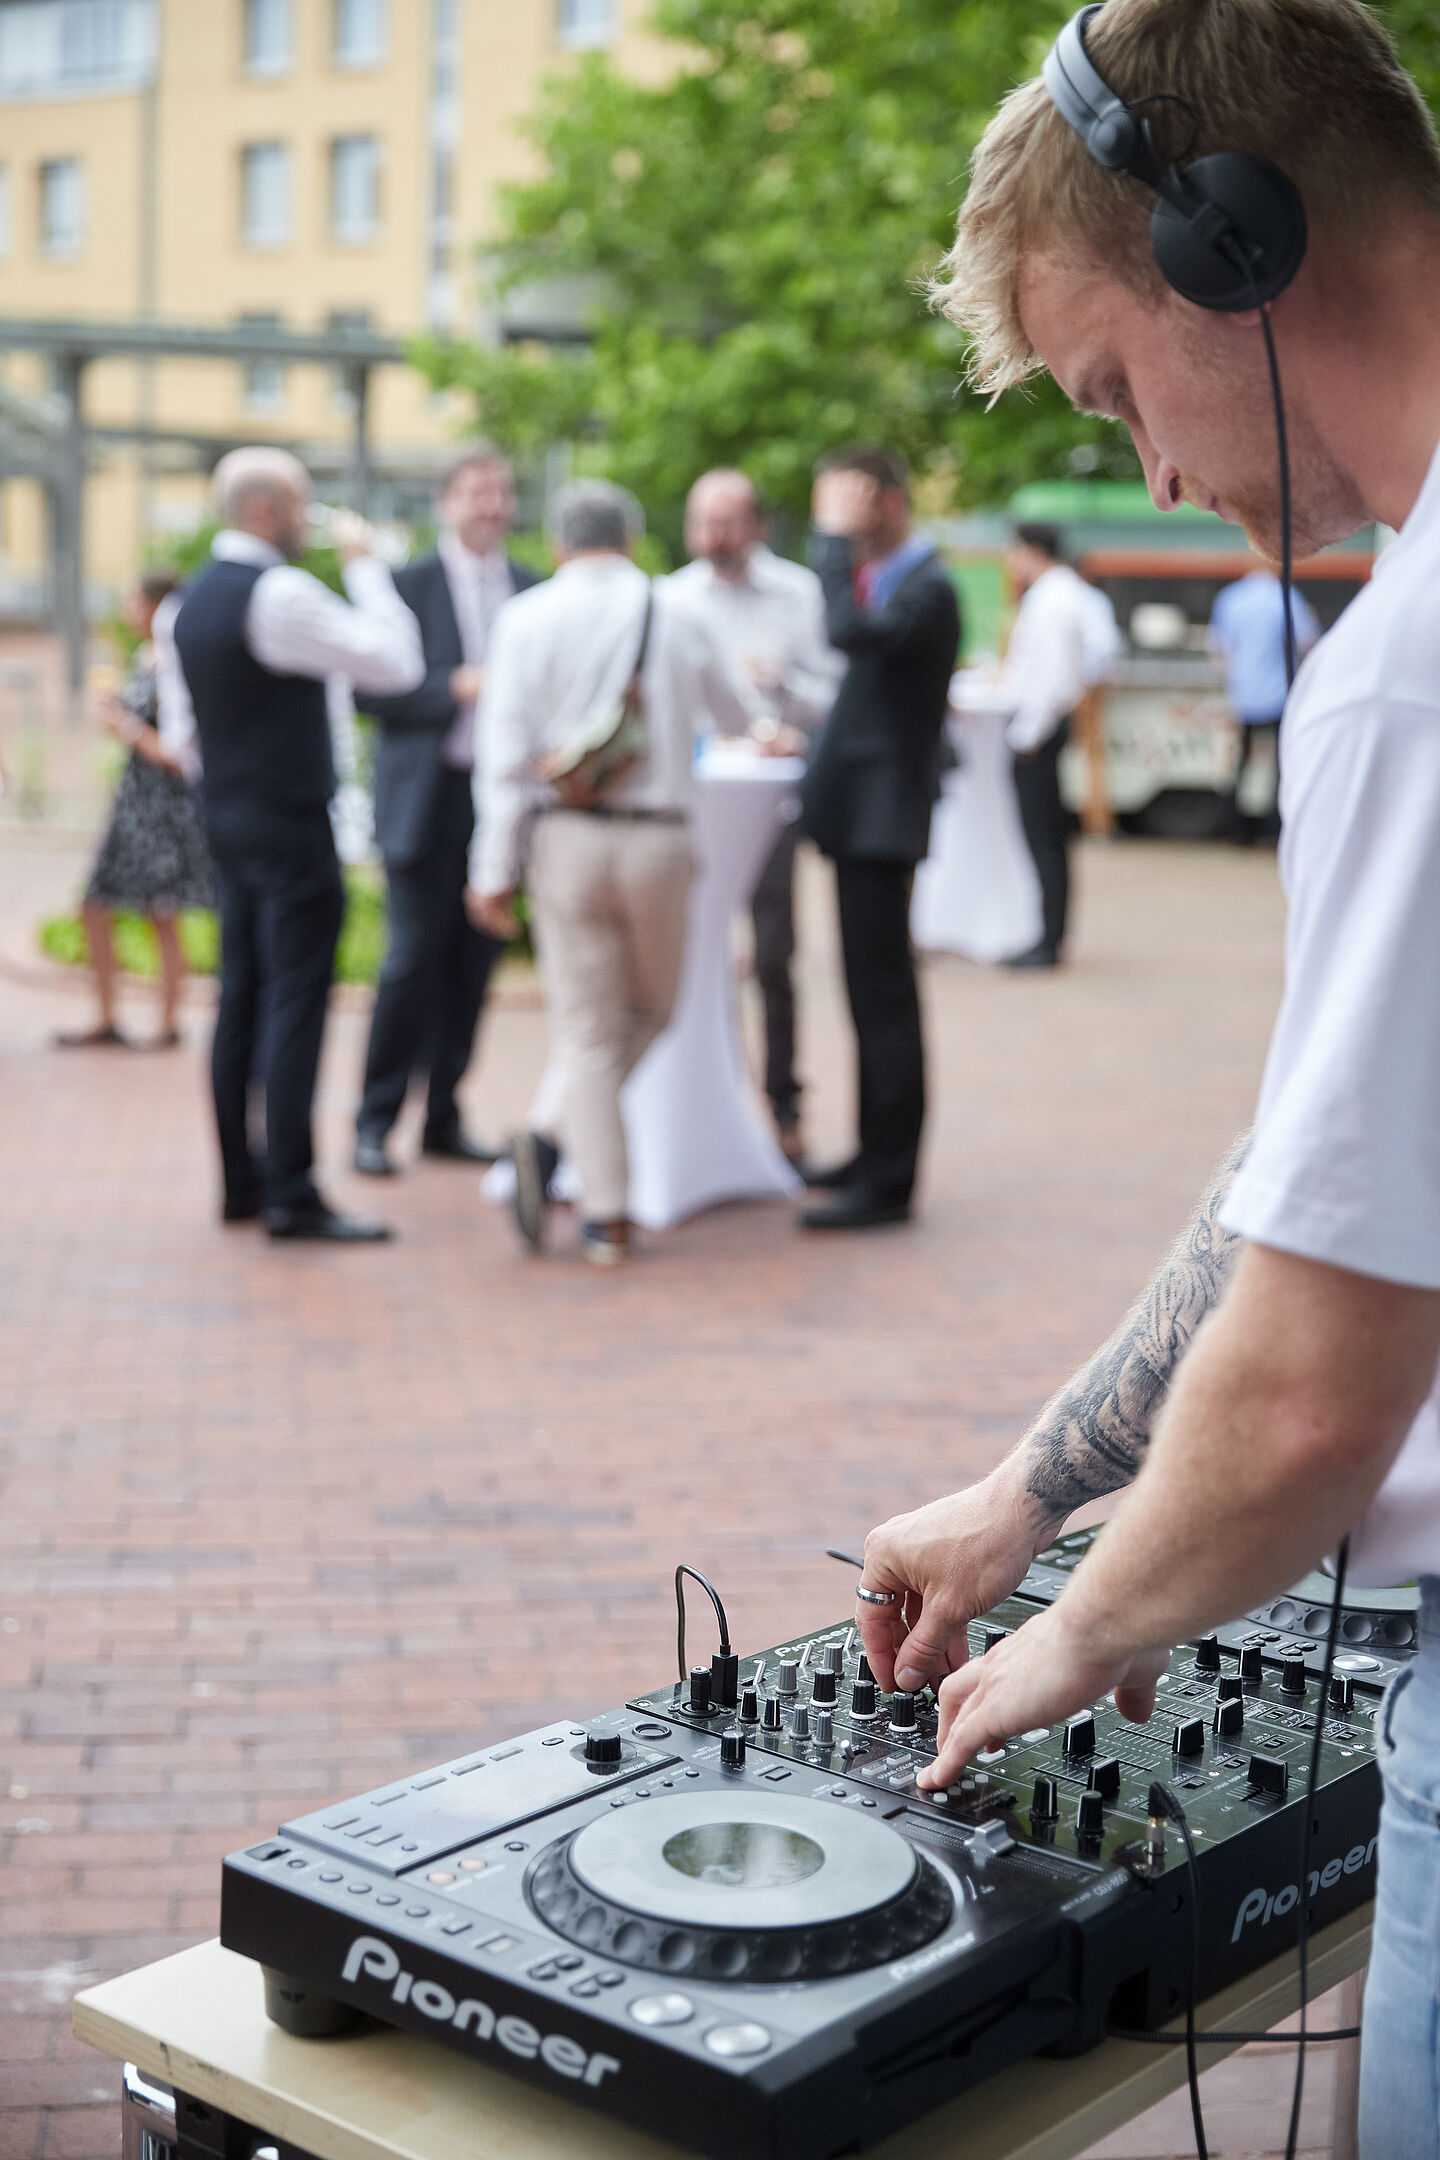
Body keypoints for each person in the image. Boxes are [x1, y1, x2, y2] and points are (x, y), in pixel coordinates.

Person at [849, 4, 1440, 2149]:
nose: (1159, 475)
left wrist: (1077, 1635)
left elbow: (1308, 1392)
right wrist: (1028, 1495)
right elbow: (1335, 1172)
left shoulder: (1413, 672)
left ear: (1234, 246)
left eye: (1116, 391)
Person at [467, 480, 755, 1267]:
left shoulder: (524, 619)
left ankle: (569, 1168)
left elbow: (501, 759)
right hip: (660, 841)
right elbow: (736, 719)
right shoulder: (680, 611)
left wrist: (491, 868)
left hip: (566, 840)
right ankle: (605, 1209)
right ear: (630, 539)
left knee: (590, 1030)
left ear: (558, 545)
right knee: (652, 1012)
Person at [165, 447, 423, 1241]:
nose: (312, 523)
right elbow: (398, 663)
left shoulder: (186, 603)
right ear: (268, 510)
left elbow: (184, 739)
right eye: (304, 506)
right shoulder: (277, 592)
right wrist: (370, 569)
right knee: (294, 1001)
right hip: (286, 822)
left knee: (239, 996)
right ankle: (292, 1191)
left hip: (228, 818)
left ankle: (241, 1184)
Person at [353, 447, 545, 1177]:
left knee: (473, 967)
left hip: (499, 805)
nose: (490, 506)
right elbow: (369, 693)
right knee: (409, 964)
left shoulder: (532, 587)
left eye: (500, 493)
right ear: (446, 502)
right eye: (476, 493)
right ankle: (374, 1122)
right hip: (424, 801)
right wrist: (452, 688)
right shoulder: (404, 587)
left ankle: (443, 1116)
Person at [798, 447, 961, 1230]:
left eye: (844, 505)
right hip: (862, 821)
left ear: (884, 503)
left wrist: (830, 540)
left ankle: (889, 1183)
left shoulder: (927, 589)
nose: (833, 526)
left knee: (886, 1002)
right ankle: (872, 1154)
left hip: (882, 823)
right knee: (868, 1000)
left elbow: (846, 634)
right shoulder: (908, 584)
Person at [668, 469, 841, 1164]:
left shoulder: (798, 592)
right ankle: (706, 1104)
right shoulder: (671, 598)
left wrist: (785, 690)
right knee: (695, 957)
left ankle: (784, 1105)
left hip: (767, 798)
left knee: (773, 956)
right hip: (698, 798)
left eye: (728, 523)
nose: (714, 537)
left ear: (758, 526)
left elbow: (835, 691)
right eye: (703, 523)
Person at [56, 571, 212, 1051]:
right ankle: (107, 1015)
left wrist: (122, 722)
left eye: (133, 601)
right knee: (95, 906)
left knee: (160, 914)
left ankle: (167, 1023)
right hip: (134, 806)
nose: (128, 611)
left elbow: (176, 751)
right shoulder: (148, 656)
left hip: (163, 809)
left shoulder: (179, 662)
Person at [999, 523, 1097, 967]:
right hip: (1044, 727)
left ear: (1030, 551)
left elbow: (1052, 678)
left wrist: (1026, 736)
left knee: (1043, 839)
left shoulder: (1051, 599)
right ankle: (1047, 934)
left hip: (1037, 732)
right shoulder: (1063, 594)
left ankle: (1048, 939)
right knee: (1048, 838)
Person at [1208, 567, 1321, 843]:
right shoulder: (1287, 596)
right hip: (1278, 695)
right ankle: (1274, 829)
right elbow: (1308, 640)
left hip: (1243, 694)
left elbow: (1217, 647)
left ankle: (1236, 830)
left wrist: (1234, 678)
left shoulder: (1230, 597)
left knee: (1240, 764)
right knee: (1280, 766)